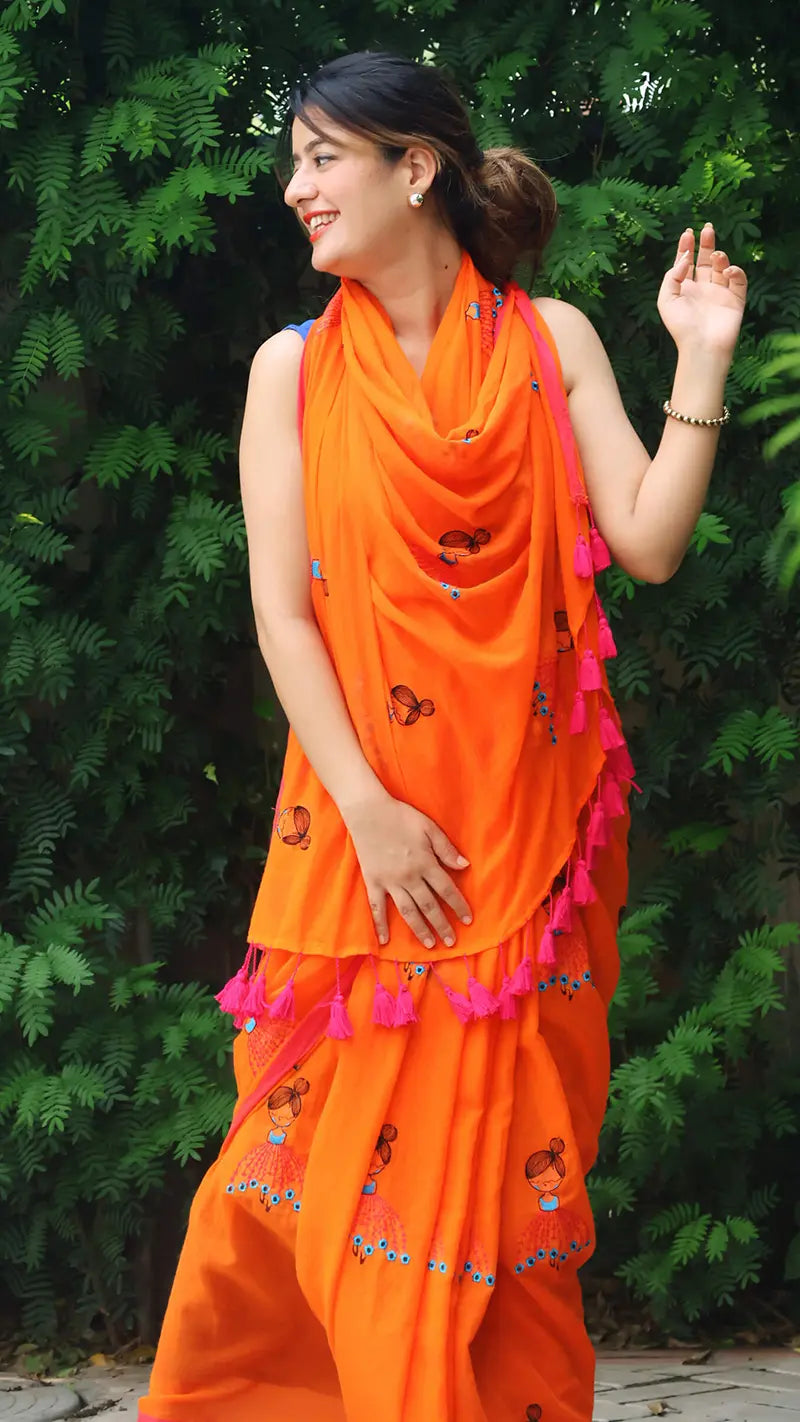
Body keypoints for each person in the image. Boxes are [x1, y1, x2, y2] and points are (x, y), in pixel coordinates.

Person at [139, 48, 747, 1422]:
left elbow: (645, 541)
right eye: (291, 160)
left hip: (521, 850)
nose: (293, 187)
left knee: (495, 1222)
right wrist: (365, 805)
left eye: (319, 158)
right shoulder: (286, 375)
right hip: (359, 851)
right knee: (294, 1208)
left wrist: (700, 360)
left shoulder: (556, 344)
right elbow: (285, 622)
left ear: (416, 167)